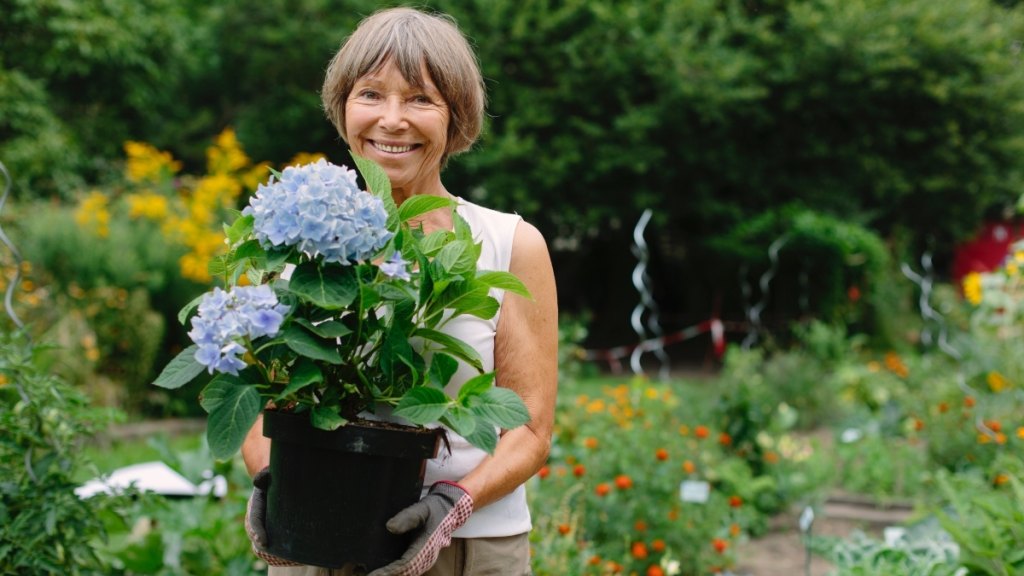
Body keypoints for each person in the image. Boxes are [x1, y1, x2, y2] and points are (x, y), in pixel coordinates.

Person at [239, 7, 558, 576]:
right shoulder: (292, 246)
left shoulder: (508, 245)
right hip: (314, 541)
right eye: (370, 94)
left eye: (420, 99)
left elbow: (530, 428)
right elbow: (261, 400)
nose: (392, 120)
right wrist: (272, 477)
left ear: (455, 118)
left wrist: (452, 504)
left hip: (470, 547)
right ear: (342, 107)